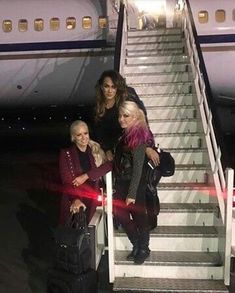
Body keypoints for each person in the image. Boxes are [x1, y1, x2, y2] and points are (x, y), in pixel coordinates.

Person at [92, 69, 160, 229]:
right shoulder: (98, 106)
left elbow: (142, 122)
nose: (109, 90)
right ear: (101, 87)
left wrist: (148, 147)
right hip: (117, 153)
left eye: (113, 87)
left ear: (118, 88)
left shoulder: (127, 99)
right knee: (119, 191)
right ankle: (126, 224)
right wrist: (107, 149)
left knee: (139, 190)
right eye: (106, 86)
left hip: (133, 148)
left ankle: (146, 226)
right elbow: (98, 132)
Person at [113, 101, 152, 264]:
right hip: (123, 182)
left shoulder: (138, 137)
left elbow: (137, 169)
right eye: (120, 116)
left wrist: (132, 193)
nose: (121, 119)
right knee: (121, 214)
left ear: (135, 117)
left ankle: (144, 248)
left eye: (126, 116)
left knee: (139, 217)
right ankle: (136, 244)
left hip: (134, 184)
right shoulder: (125, 134)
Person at [59, 120, 112, 225]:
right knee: (74, 235)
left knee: (89, 233)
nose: (83, 137)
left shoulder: (95, 151)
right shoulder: (66, 154)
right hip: (75, 200)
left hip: (92, 200)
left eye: (85, 133)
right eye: (79, 135)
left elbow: (110, 165)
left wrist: (86, 176)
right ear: (73, 137)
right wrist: (75, 199)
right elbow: (66, 181)